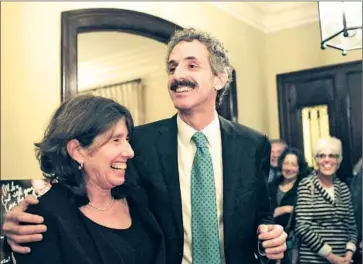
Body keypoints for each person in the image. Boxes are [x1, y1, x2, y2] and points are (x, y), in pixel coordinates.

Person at [3, 28, 287, 264]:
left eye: (191, 64)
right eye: (172, 67)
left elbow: (260, 216)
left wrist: (268, 240)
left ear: (220, 77)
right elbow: (89, 187)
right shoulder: (139, 142)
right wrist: (17, 222)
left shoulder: (254, 144)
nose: (177, 75)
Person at [11, 95, 166, 264]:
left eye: (126, 139)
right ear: (77, 151)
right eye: (115, 140)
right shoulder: (41, 218)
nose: (130, 151)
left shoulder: (136, 197)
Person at [295, 137, 358, 264]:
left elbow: (351, 227)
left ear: (338, 160)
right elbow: (302, 227)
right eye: (321, 155)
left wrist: (348, 254)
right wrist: (332, 257)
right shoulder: (307, 185)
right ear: (316, 160)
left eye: (332, 155)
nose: (327, 160)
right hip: (314, 260)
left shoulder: (343, 188)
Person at [268, 148, 311, 264]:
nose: (288, 168)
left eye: (293, 164)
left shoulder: (304, 186)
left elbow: (306, 214)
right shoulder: (271, 185)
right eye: (286, 163)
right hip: (270, 243)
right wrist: (283, 209)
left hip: (295, 245)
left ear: (299, 168)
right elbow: (262, 212)